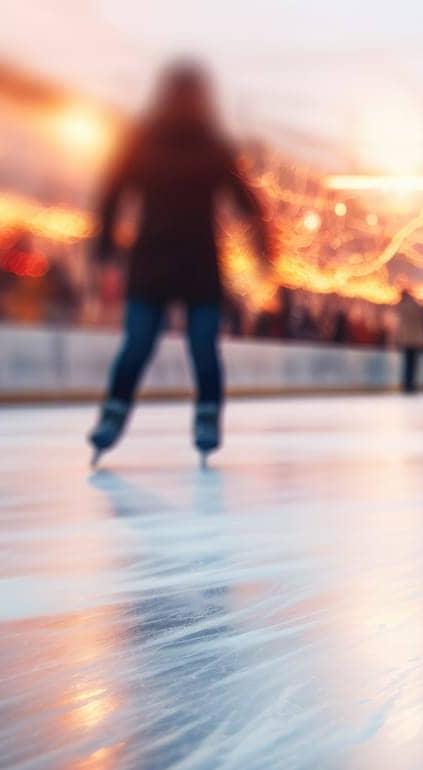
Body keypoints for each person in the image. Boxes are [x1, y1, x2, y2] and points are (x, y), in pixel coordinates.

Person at [86, 61, 273, 466]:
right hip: (193, 263)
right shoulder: (207, 144)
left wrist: (104, 246)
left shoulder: (153, 140)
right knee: (200, 349)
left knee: (140, 346)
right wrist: (263, 251)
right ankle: (206, 419)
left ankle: (114, 416)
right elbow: (248, 204)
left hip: (160, 261)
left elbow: (112, 193)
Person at [395, 288, 423, 394]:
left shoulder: (401, 306)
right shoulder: (415, 305)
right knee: (413, 364)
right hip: (415, 340)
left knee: (407, 364)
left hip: (406, 340)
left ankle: (407, 385)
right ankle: (411, 385)